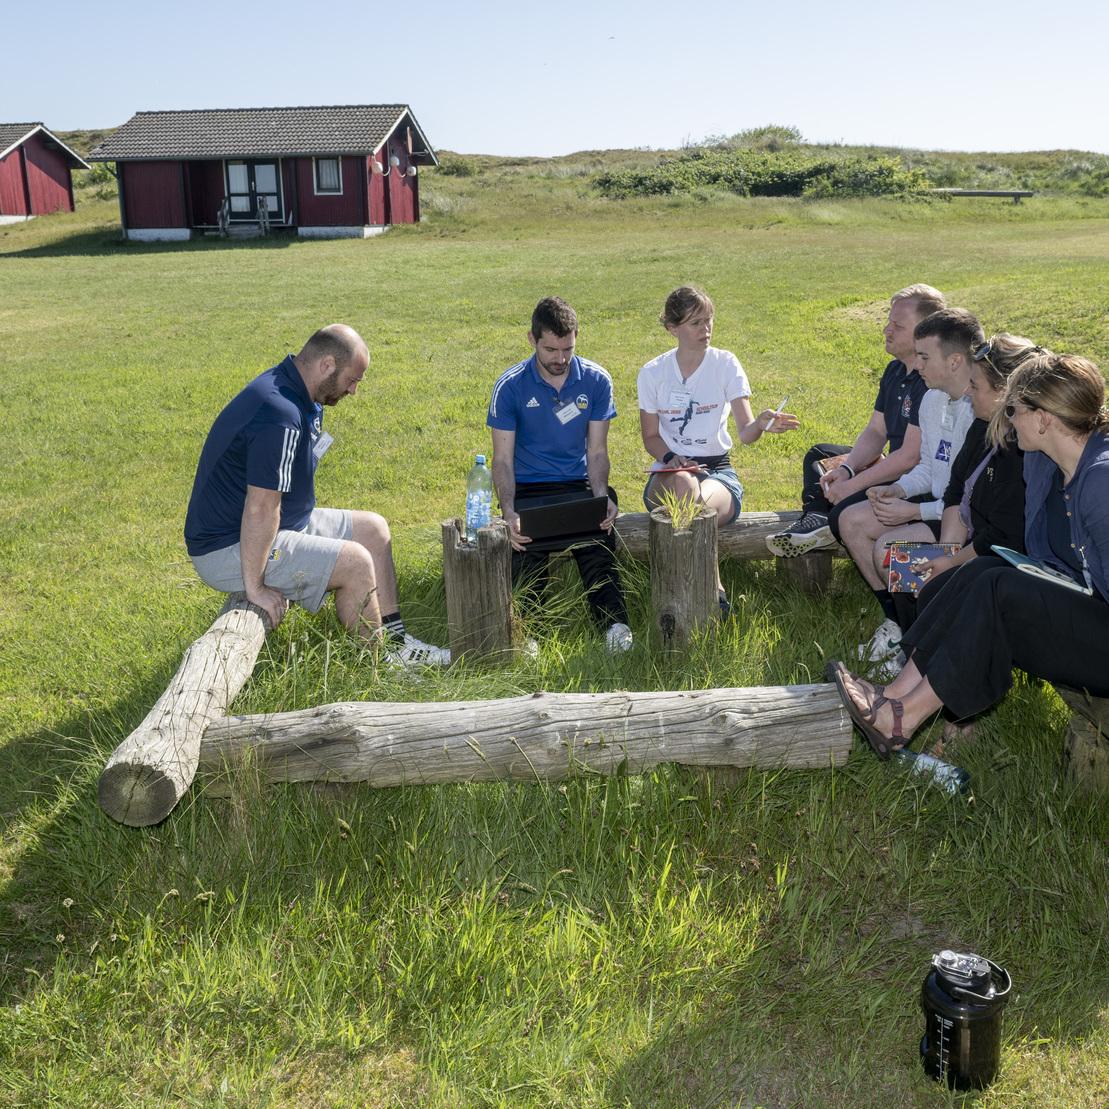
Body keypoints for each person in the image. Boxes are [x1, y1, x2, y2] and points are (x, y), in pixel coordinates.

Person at [829, 352, 1109, 759]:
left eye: (1014, 410)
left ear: (1044, 419)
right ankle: (894, 695)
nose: (1008, 419)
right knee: (980, 573)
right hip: (1084, 609)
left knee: (997, 584)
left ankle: (902, 719)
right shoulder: (1044, 465)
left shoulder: (1101, 481)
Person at [184, 324, 449, 665]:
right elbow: (261, 508)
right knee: (355, 563)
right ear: (327, 365)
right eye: (351, 380)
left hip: (278, 525)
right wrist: (256, 588)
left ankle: (396, 644)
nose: (353, 390)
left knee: (373, 529)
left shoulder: (303, 392)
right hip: (228, 546)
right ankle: (378, 669)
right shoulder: (278, 413)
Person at [638, 285, 799, 614]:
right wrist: (670, 458)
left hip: (717, 473)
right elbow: (651, 436)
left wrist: (762, 423)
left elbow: (746, 433)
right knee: (683, 482)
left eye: (709, 320)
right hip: (669, 471)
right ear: (672, 328)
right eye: (696, 323)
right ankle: (714, 592)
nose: (706, 329)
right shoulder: (653, 372)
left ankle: (686, 591)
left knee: (694, 502)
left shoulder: (725, 364)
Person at [487, 297, 633, 653]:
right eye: (550, 349)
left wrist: (601, 497)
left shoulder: (596, 380)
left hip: (577, 483)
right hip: (528, 487)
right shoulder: (510, 386)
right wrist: (508, 511)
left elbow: (596, 452)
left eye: (568, 349)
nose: (560, 358)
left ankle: (614, 626)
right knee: (524, 548)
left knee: (597, 541)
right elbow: (502, 461)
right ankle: (529, 634)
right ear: (532, 340)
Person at [839, 308, 980, 669]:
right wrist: (898, 490)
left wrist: (915, 510)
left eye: (924, 357)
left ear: (955, 361)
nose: (916, 366)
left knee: (891, 551)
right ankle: (897, 625)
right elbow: (930, 468)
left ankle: (917, 649)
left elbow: (971, 500)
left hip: (966, 522)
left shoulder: (979, 411)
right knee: (852, 521)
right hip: (940, 507)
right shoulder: (932, 399)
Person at [766, 283, 946, 557]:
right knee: (820, 455)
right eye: (888, 322)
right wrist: (848, 469)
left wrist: (851, 486)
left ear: (926, 332)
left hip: (913, 482)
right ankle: (817, 518)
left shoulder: (928, 381)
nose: (886, 330)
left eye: (897, 326)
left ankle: (826, 521)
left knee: (846, 509)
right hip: (892, 466)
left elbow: (910, 458)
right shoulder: (895, 370)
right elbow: (876, 431)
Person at [890, 333, 1041, 633]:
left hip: (1002, 557)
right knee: (907, 569)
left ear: (1005, 392)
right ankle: (912, 646)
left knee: (933, 585)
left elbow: (1004, 535)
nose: (968, 392)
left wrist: (950, 562)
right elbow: (956, 491)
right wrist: (944, 551)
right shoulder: (982, 427)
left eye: (975, 385)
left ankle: (931, 653)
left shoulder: (1021, 451)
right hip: (973, 542)